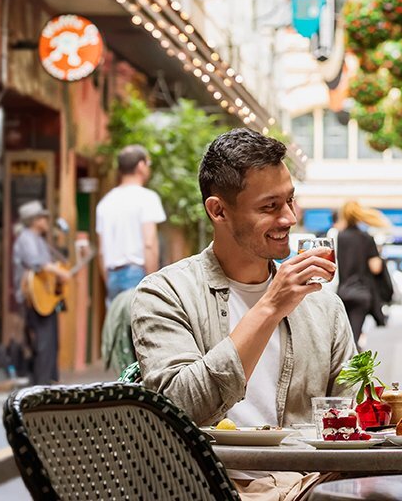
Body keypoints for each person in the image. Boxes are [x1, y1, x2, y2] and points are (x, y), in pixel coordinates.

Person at [131, 129, 357, 499]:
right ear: (218, 210)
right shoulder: (165, 293)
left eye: (290, 201)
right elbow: (177, 409)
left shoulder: (324, 306)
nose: (288, 218)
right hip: (212, 486)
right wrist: (270, 306)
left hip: (310, 486)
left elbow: (353, 420)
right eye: (269, 207)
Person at [96, 144, 165, 308]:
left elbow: (101, 251)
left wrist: (110, 279)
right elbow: (149, 244)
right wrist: (153, 281)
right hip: (138, 274)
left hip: (112, 276)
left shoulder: (106, 202)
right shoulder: (147, 198)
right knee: (139, 330)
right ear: (141, 166)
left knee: (117, 330)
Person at [13, 200, 71, 386]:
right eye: (43, 217)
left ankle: (48, 380)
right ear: (34, 220)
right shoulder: (26, 238)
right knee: (43, 342)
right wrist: (59, 271)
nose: (46, 220)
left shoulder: (38, 239)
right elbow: (35, 263)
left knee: (50, 341)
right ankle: (41, 383)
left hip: (45, 297)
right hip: (35, 297)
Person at [335, 200, 389, 346]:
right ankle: (351, 365)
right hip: (360, 294)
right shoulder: (366, 238)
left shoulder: (338, 237)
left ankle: (344, 364)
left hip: (340, 293)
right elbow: (375, 268)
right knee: (353, 337)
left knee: (341, 337)